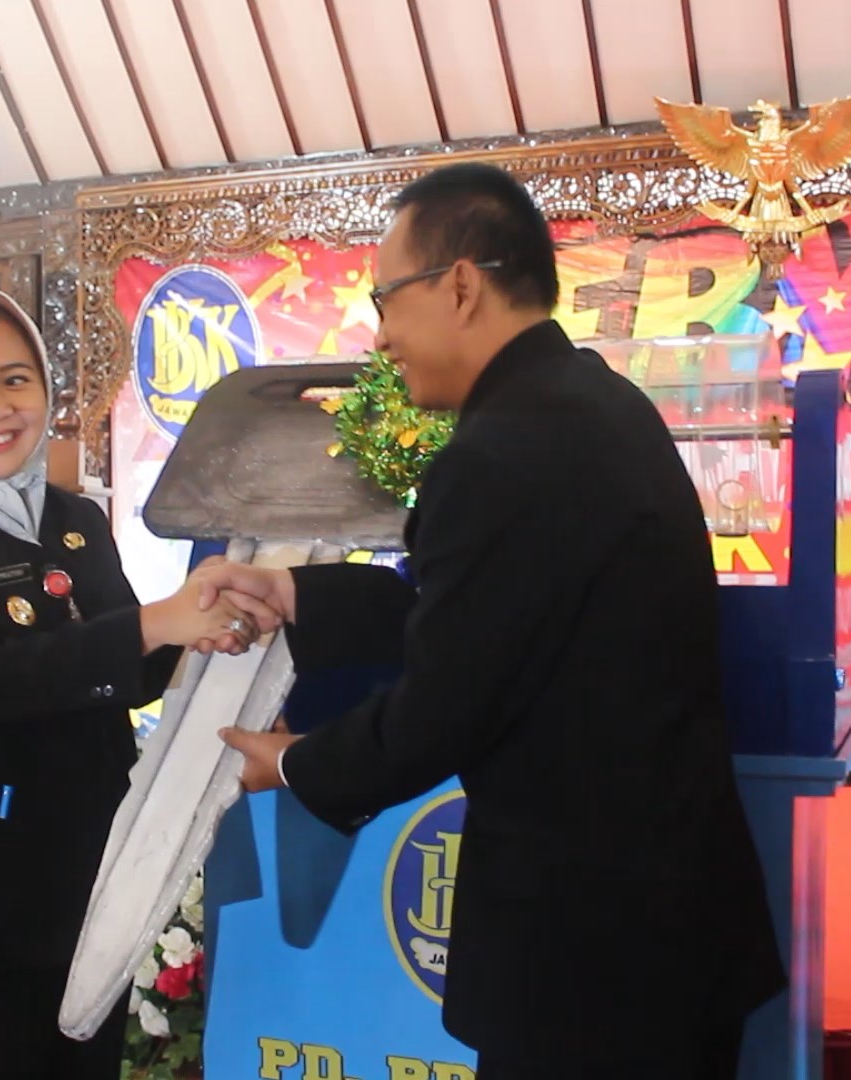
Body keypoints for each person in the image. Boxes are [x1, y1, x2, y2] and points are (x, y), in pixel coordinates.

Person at [201, 162, 785, 1078]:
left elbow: (446, 703)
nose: (381, 336)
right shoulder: (594, 402)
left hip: (589, 963)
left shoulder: (504, 450)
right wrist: (298, 594)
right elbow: (490, 617)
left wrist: (294, 763)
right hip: (663, 936)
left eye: (387, 300)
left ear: (461, 285)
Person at [0, 288, 256, 1078]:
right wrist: (154, 626)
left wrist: (209, 616)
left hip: (85, 875)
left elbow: (131, 674)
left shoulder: (75, 521)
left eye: (15, 379)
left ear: (45, 389)